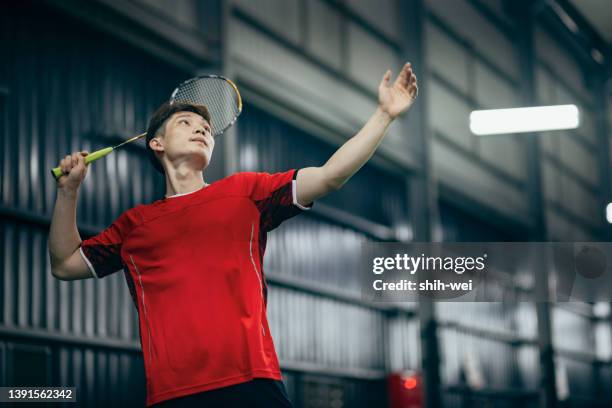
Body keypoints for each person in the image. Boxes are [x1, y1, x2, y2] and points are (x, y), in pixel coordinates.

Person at [48, 63, 418, 407]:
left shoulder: (247, 192)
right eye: (186, 122)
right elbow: (64, 263)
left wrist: (384, 115)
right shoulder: (133, 226)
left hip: (252, 385)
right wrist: (68, 193)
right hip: (172, 395)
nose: (202, 128)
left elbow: (330, 175)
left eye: (206, 127)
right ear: (155, 143)